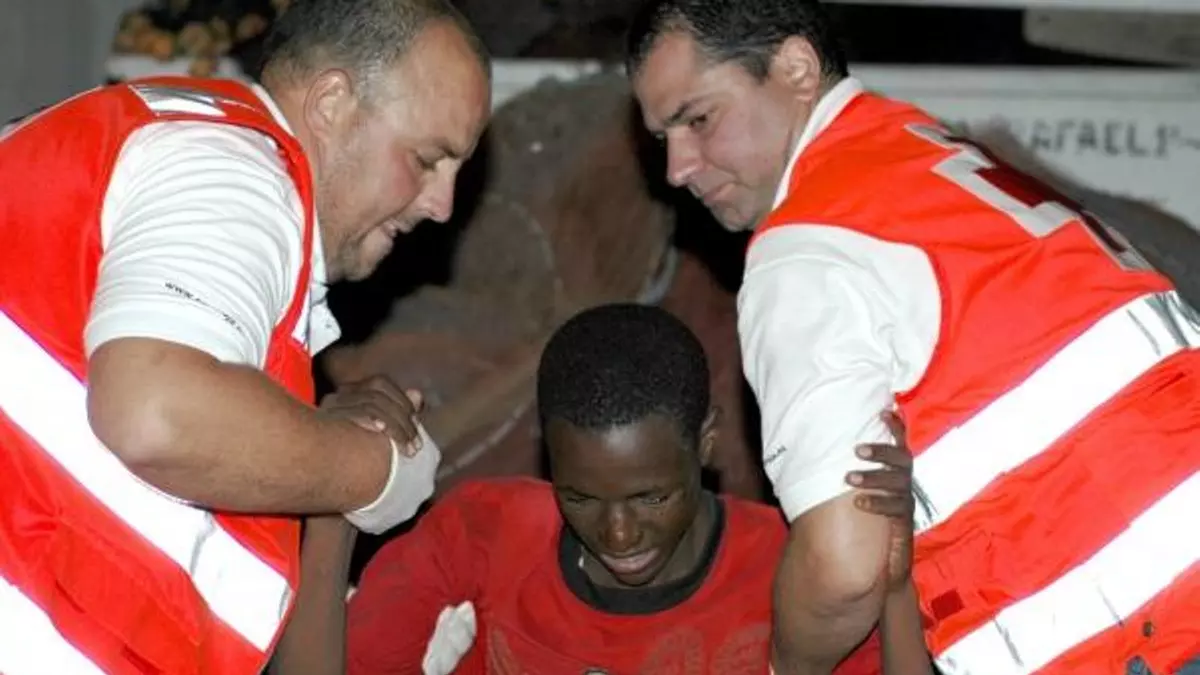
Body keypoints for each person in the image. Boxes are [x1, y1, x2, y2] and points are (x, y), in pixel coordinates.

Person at [624, 2, 1200, 675]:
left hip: (1155, 638)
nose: (677, 167)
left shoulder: (806, 250)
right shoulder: (917, 153)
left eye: (698, 120)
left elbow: (844, 567)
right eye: (663, 137)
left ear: (796, 69)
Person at [0, 0, 490, 672]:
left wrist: (320, 466)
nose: (442, 205)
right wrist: (370, 471)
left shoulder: (173, 140)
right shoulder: (233, 165)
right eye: (427, 158)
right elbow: (157, 414)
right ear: (331, 103)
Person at [339, 303, 931, 674]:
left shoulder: (792, 571)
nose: (618, 536)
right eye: (580, 498)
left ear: (706, 441)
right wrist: (333, 483)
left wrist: (896, 583)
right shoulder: (484, 534)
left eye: (651, 498)